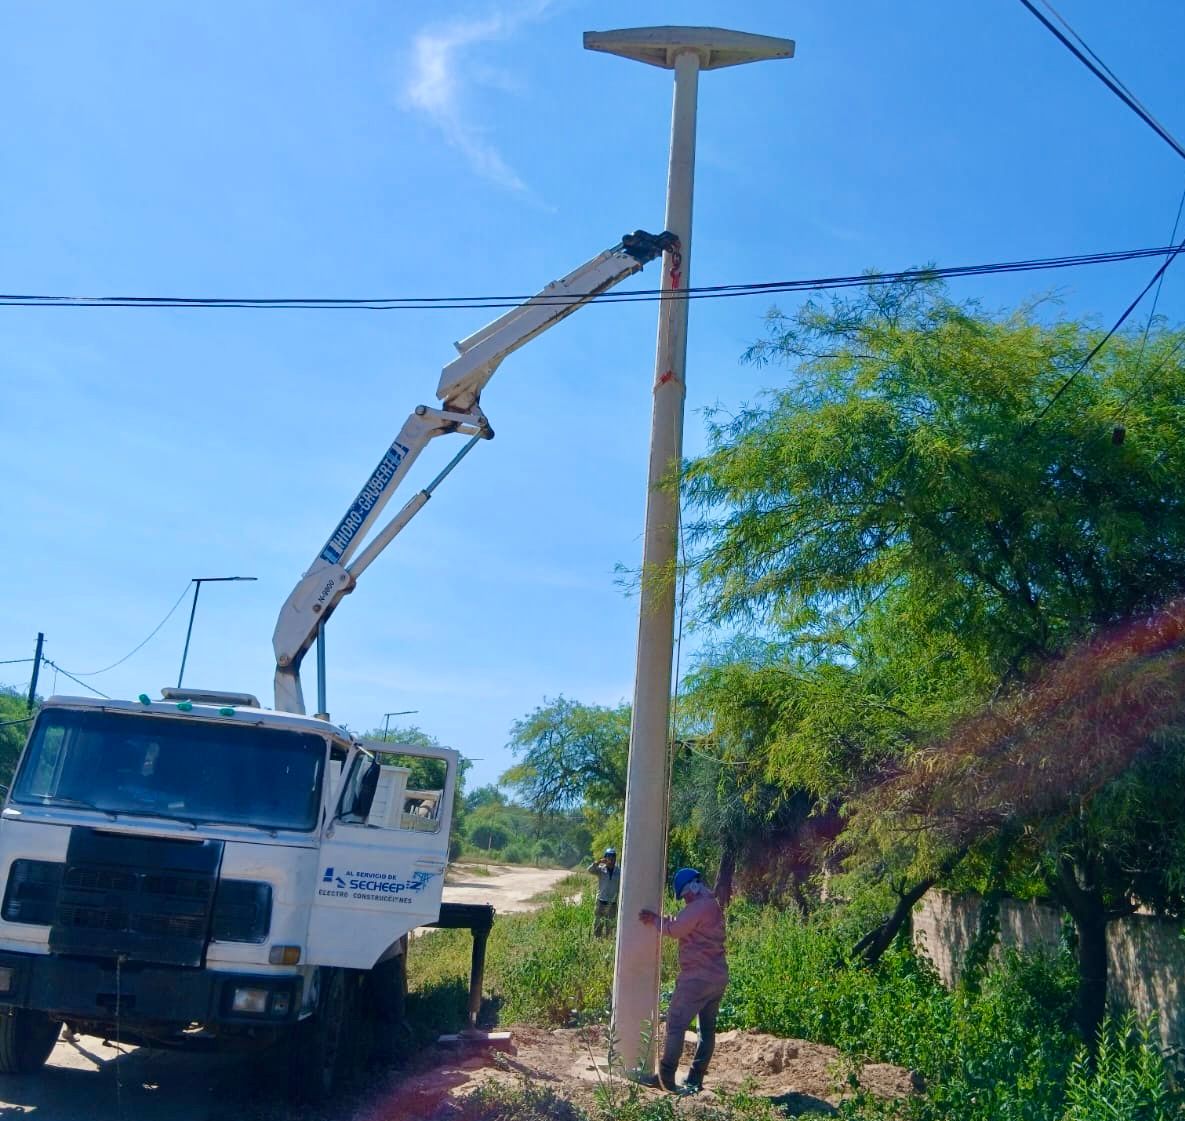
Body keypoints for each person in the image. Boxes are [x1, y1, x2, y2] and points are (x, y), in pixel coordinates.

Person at [639, 868, 728, 1094]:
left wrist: (655, 920)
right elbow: (685, 924)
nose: (685, 900)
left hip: (697, 978)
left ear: (692, 888)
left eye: (685, 896)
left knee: (676, 1024)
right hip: (717, 976)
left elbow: (676, 929)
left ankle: (666, 1077)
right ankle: (695, 1079)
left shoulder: (698, 907)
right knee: (706, 1030)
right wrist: (667, 920)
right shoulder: (711, 904)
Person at [587, 848, 620, 937]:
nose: (611, 859)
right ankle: (597, 941)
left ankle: (607, 941)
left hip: (612, 903)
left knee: (610, 927)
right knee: (598, 925)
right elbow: (589, 870)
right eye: (609, 857)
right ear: (605, 858)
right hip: (601, 902)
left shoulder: (619, 871)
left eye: (613, 856)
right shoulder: (601, 869)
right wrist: (598, 862)